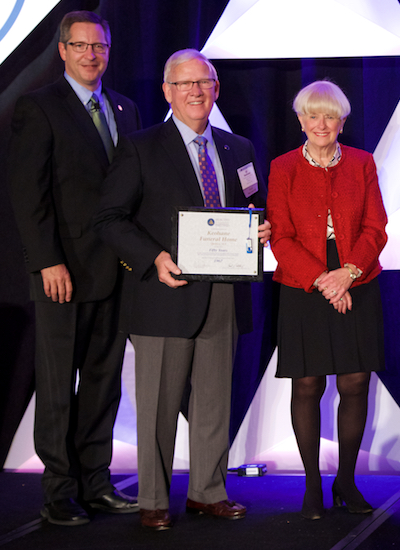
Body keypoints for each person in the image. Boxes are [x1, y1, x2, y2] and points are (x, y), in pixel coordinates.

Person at [93, 48, 271, 530]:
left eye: (204, 82)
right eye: (184, 83)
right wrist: (153, 257)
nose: (195, 91)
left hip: (224, 294)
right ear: (167, 92)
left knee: (215, 401)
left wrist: (261, 229)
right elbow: (109, 218)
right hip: (163, 293)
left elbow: (256, 207)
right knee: (157, 407)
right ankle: (153, 498)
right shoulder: (140, 147)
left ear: (216, 89)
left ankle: (207, 492)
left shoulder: (240, 149)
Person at [7, 10, 141, 526]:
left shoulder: (125, 108)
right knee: (60, 384)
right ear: (62, 50)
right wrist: (47, 261)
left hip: (118, 271)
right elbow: (28, 194)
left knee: (104, 384)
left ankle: (97, 482)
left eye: (100, 47)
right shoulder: (37, 107)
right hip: (62, 273)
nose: (91, 55)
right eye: (81, 46)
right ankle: (58, 492)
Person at [266, 81, 387, 520]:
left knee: (355, 382)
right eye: (312, 115)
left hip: (357, 275)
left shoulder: (363, 163)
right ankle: (313, 485)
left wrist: (347, 273)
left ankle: (347, 481)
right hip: (304, 282)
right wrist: (323, 280)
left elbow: (377, 226)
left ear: (342, 121)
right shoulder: (282, 167)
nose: (321, 124)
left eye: (330, 115)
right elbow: (280, 235)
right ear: (300, 120)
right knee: (309, 383)